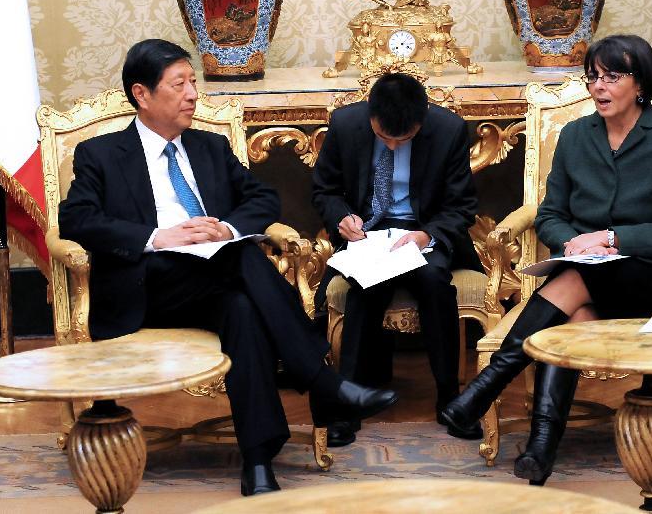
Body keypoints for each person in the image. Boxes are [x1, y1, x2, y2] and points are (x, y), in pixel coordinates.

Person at [57, 39, 397, 497]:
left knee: (241, 306)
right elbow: (76, 218)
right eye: (179, 84)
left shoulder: (210, 147)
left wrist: (227, 227)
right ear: (142, 94)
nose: (193, 94)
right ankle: (321, 382)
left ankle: (258, 463)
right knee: (241, 259)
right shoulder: (101, 154)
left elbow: (262, 198)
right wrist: (158, 237)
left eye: (193, 82)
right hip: (147, 286)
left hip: (213, 282)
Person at [440, 34, 652, 485]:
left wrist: (610, 237)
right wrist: (575, 243)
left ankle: (486, 389)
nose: (598, 87)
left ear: (640, 84)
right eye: (592, 77)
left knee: (575, 281)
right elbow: (551, 216)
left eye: (611, 77)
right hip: (587, 272)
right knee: (570, 311)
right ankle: (541, 448)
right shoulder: (575, 136)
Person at [311, 72, 482, 447]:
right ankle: (348, 403)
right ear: (369, 115)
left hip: (422, 234)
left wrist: (425, 236)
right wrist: (341, 217)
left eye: (401, 140)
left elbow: (461, 206)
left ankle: (450, 399)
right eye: (382, 137)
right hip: (369, 232)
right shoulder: (346, 123)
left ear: (420, 123)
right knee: (364, 285)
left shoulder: (449, 129)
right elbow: (325, 189)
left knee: (436, 284)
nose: (390, 146)